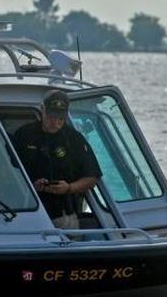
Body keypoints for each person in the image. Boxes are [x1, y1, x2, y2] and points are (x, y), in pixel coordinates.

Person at [11, 90, 102, 229]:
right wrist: (31, 185)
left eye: (60, 118)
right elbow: (7, 171)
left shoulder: (74, 139)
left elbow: (92, 177)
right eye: (51, 116)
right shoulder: (23, 135)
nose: (55, 122)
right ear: (42, 110)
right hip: (25, 212)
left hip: (63, 215)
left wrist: (68, 188)